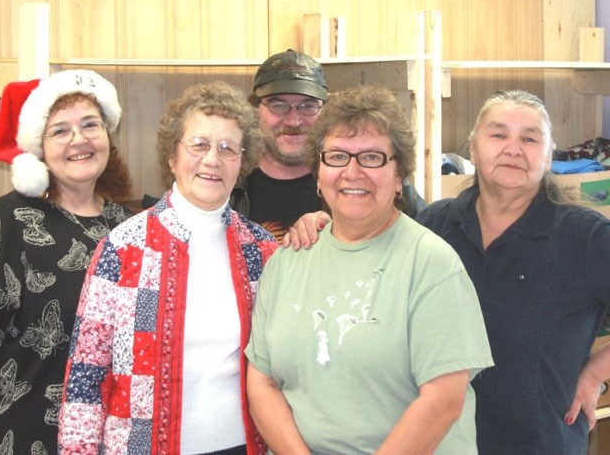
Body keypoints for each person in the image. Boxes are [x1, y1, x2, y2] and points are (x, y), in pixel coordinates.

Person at [415, 90, 610, 453]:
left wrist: (596, 372)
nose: (513, 148)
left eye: (529, 138)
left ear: (548, 156)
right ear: (472, 149)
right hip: (440, 442)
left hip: (538, 443)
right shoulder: (434, 226)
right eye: (498, 134)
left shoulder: (581, 235)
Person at [244, 85, 493, 454]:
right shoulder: (288, 260)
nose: (352, 172)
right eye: (337, 156)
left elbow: (443, 400)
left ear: (398, 176)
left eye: (373, 158)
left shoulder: (431, 264)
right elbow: (262, 382)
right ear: (318, 172)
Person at [58, 81, 279, 455]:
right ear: (172, 157)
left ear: (241, 163)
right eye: (199, 145)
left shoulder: (261, 252)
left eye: (228, 148)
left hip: (245, 447)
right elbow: (85, 377)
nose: (213, 160)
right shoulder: (123, 249)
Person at [0, 69, 133, 455]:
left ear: (108, 135)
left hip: (114, 440)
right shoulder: (7, 221)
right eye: (60, 131)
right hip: (25, 438)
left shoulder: (126, 228)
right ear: (39, 148)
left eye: (89, 124)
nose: (78, 139)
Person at [231, 49, 425, 241]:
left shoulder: (370, 183)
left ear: (326, 110)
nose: (293, 121)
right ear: (256, 109)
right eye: (278, 105)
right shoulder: (231, 184)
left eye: (308, 105)